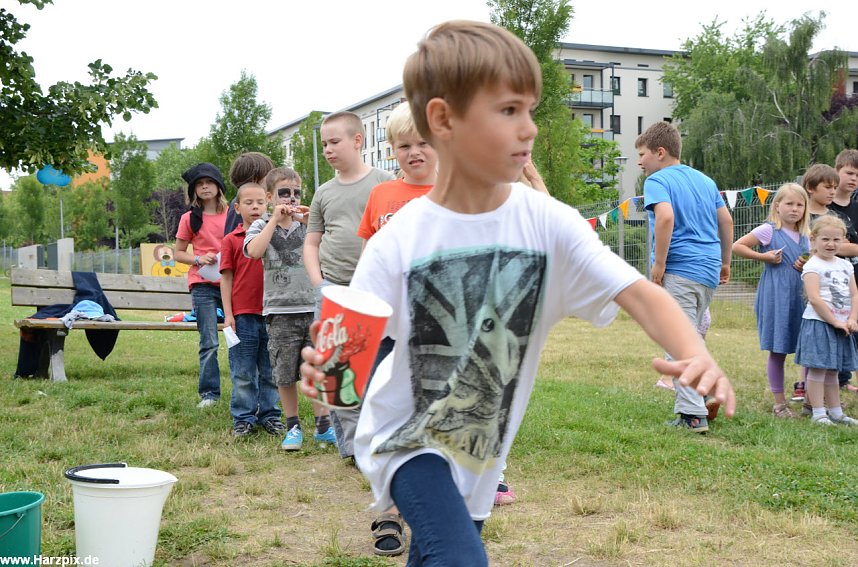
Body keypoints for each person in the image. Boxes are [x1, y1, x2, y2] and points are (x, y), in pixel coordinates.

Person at [299, 20, 736, 566]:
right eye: (508, 111)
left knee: (446, 551)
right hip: (406, 439)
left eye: (529, 109)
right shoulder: (399, 240)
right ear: (443, 119)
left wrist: (696, 353)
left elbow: (640, 294)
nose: (528, 128)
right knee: (461, 558)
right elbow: (346, 355)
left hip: (481, 453)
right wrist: (327, 374)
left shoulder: (551, 225)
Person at [304, 111, 394, 461]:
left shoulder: (384, 184)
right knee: (336, 373)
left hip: (376, 296)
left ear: (358, 141)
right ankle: (351, 448)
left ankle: (380, 440)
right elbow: (311, 243)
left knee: (374, 372)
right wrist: (320, 284)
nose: (328, 149)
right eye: (324, 143)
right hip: (333, 294)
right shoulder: (323, 193)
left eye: (335, 142)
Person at [638, 121, 734, 433]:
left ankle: (692, 415)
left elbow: (665, 217)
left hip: (680, 268)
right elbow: (727, 220)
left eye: (642, 154)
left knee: (678, 341)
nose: (640, 162)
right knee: (692, 337)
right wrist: (725, 261)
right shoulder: (705, 180)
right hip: (708, 269)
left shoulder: (657, 180)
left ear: (660, 153)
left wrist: (660, 263)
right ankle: (703, 395)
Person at [245, 167, 336, 450]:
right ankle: (293, 425)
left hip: (312, 307)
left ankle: (323, 425)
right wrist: (273, 219)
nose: (292, 199)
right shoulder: (260, 225)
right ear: (270, 196)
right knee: (284, 373)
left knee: (316, 369)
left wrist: (312, 223)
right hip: (280, 310)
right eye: (285, 193)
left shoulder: (309, 225)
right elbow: (254, 252)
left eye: (296, 193)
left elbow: (329, 251)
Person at [732, 183, 811, 418]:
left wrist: (808, 263)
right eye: (789, 203)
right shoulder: (769, 231)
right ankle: (780, 404)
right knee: (778, 349)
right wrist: (763, 256)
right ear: (777, 206)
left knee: (807, 348)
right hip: (777, 296)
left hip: (804, 296)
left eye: (800, 204)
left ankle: (810, 400)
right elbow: (738, 246)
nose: (794, 209)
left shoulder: (808, 235)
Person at [220, 182, 284, 438]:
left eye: (260, 202)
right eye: (248, 203)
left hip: (272, 313)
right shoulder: (231, 241)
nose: (255, 207)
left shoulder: (275, 235)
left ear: (268, 203)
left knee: (270, 370)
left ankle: (270, 415)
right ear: (237, 208)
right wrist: (228, 314)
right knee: (243, 371)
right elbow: (226, 278)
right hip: (243, 316)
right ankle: (244, 418)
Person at [795, 214, 858, 426]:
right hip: (820, 323)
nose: (831, 244)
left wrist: (852, 318)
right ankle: (818, 413)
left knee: (833, 370)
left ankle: (837, 412)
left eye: (836, 239)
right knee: (818, 369)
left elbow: (854, 295)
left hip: (841, 325)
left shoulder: (845, 265)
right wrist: (834, 321)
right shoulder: (813, 265)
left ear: (843, 240)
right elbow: (814, 298)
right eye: (825, 239)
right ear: (813, 240)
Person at [175, 163, 229, 408]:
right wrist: (198, 259)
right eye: (199, 183)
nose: (205, 187)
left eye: (209, 182)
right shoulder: (189, 219)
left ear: (219, 186)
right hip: (203, 285)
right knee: (209, 342)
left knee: (242, 338)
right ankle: (209, 394)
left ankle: (244, 389)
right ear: (194, 190)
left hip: (231, 283)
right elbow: (178, 254)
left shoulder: (233, 213)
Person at [831, 150, 858, 392]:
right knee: (837, 327)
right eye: (849, 173)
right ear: (837, 170)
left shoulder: (857, 207)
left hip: (854, 278)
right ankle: (837, 378)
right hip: (831, 280)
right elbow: (830, 244)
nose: (853, 179)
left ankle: (846, 378)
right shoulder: (824, 206)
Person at [224, 152, 276, 235]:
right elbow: (234, 237)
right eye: (267, 176)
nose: (271, 180)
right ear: (254, 179)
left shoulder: (264, 200)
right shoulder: (241, 205)